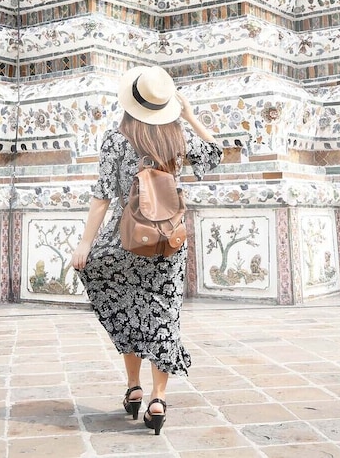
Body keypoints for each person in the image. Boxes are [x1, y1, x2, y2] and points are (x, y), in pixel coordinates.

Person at [69, 65, 222, 435]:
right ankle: (158, 398)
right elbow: (216, 153)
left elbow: (102, 197)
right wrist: (189, 115)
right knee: (164, 317)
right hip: (169, 244)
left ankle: (133, 388)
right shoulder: (178, 138)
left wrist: (86, 244)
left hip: (126, 240)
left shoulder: (116, 139)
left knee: (128, 310)